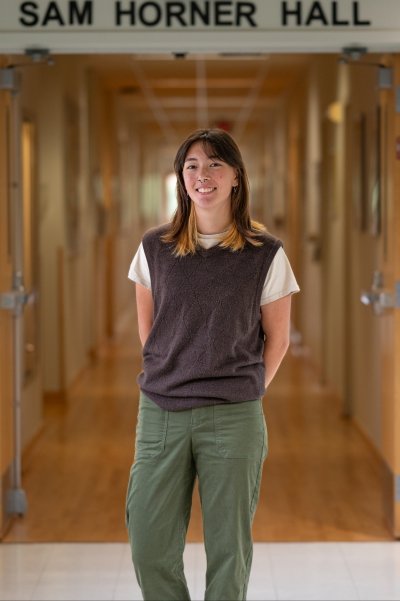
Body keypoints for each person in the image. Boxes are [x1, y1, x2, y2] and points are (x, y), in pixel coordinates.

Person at [125, 128, 300, 601]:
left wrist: (245, 389)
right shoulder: (153, 248)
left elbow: (278, 339)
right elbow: (151, 331)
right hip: (162, 412)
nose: (204, 176)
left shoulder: (266, 254)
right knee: (148, 544)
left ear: (237, 177)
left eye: (216, 164)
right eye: (192, 166)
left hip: (234, 415)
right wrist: (176, 371)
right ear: (181, 179)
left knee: (229, 551)